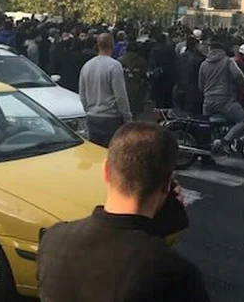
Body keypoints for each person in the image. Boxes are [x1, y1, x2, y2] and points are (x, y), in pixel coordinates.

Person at [37, 122, 210, 302]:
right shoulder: (176, 274)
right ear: (167, 183)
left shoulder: (53, 239)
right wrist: (161, 232)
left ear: (105, 171)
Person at [79, 33, 133, 147]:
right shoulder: (114, 66)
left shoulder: (87, 66)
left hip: (92, 116)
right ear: (112, 45)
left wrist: (88, 109)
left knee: (95, 152)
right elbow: (120, 95)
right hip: (111, 118)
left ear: (97, 45)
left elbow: (82, 93)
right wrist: (127, 117)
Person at [199, 41, 244, 153]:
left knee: (206, 126)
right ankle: (224, 141)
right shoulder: (227, 61)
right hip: (225, 101)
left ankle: (205, 151)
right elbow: (238, 76)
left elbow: (200, 86)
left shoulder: (203, 64)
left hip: (208, 102)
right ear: (222, 50)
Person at [176, 36, 206, 115]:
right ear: (196, 45)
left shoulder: (180, 57)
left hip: (181, 89)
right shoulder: (200, 59)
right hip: (195, 92)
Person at [119, 41, 148, 119]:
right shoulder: (140, 60)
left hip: (124, 87)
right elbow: (144, 74)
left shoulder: (120, 60)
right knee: (135, 111)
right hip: (137, 87)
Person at [148, 33, 177, 108]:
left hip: (158, 77)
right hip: (170, 76)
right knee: (168, 98)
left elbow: (152, 64)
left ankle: (159, 116)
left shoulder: (154, 50)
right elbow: (175, 61)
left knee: (159, 99)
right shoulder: (170, 49)